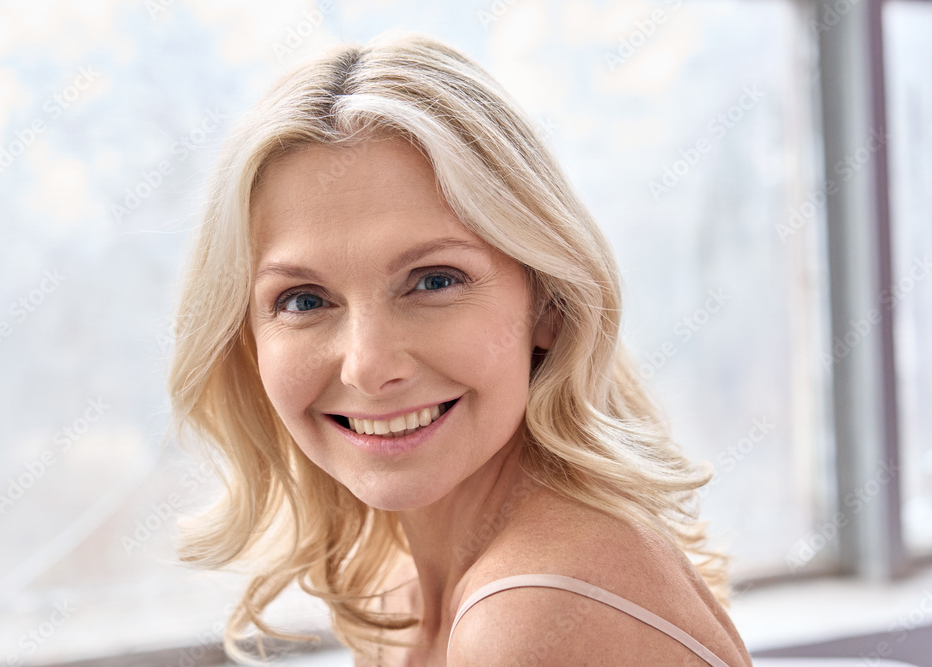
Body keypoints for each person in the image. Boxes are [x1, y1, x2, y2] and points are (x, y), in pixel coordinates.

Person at [168, 30, 755, 666]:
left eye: (434, 282)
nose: (368, 366)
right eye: (304, 300)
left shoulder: (534, 612)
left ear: (549, 305)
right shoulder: (401, 581)